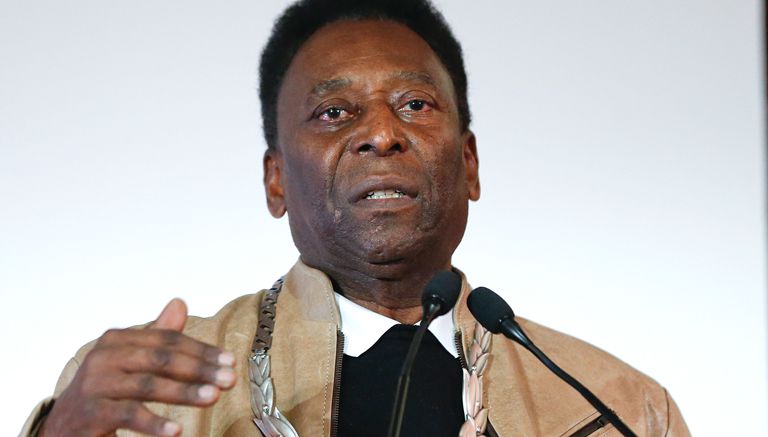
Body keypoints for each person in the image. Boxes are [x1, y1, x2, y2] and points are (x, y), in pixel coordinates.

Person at [21, 0, 691, 436]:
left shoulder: (619, 407)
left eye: (415, 105)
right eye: (335, 112)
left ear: (469, 162)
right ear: (276, 180)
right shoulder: (143, 391)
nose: (381, 134)